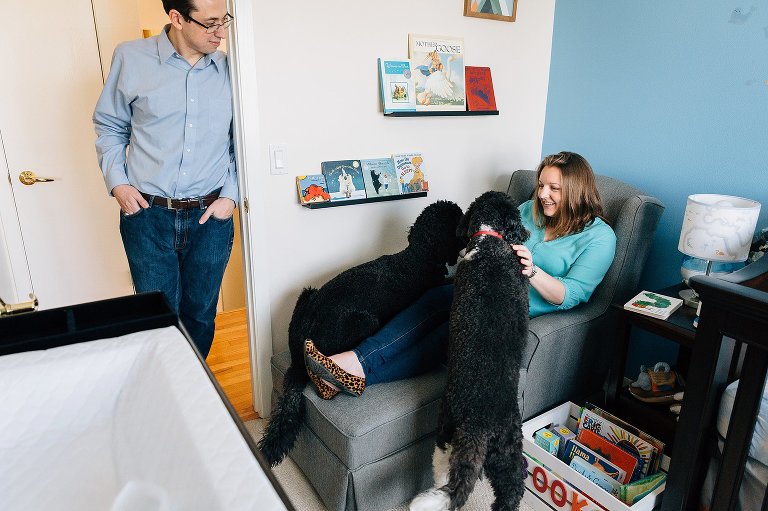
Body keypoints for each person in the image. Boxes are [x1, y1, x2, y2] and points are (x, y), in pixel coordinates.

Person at [304, 151, 617, 398]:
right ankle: (353, 360)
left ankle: (353, 373)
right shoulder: (530, 210)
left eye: (554, 188)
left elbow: (573, 295)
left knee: (450, 331)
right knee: (433, 300)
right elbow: (492, 236)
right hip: (480, 286)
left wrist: (532, 270)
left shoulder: (599, 238)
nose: (543, 194)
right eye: (541, 184)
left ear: (575, 191)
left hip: (511, 309)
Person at [93, 0, 237, 358]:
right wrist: (119, 185)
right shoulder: (130, 58)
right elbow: (110, 126)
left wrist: (230, 198)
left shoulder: (233, 69)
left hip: (210, 218)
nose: (221, 32)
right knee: (156, 319)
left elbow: (243, 143)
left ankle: (192, 389)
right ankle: (164, 394)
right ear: (176, 18)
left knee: (201, 316)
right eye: (210, 23)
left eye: (225, 21)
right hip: (147, 216)